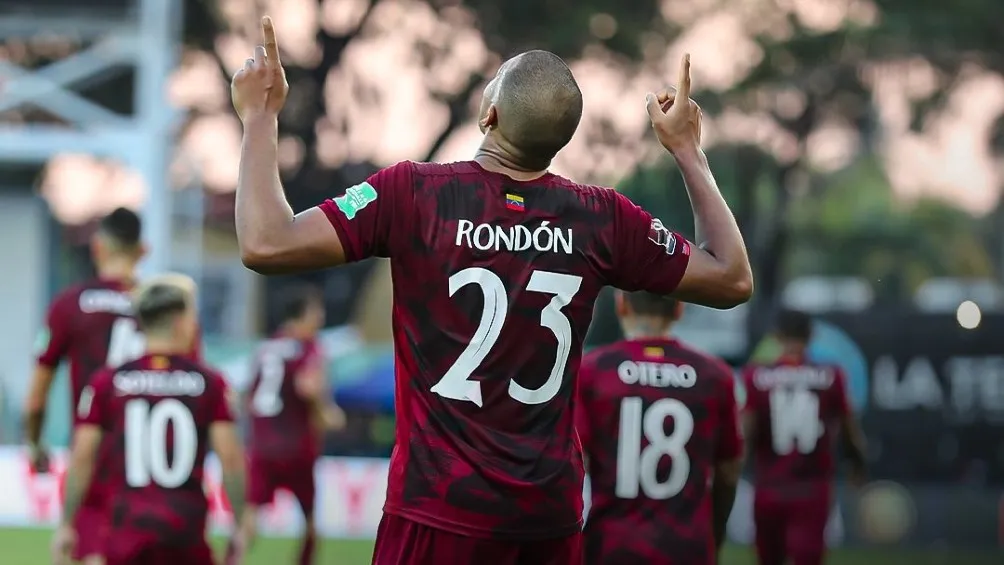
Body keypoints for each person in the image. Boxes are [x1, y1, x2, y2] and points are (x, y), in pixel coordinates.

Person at [230, 16, 752, 564]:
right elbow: (732, 277)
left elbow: (266, 243)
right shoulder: (603, 218)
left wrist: (260, 116)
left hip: (436, 509)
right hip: (546, 520)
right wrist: (688, 150)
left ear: (489, 114)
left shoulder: (414, 193)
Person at [50, 274, 249, 565]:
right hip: (185, 532)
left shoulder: (108, 382)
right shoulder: (210, 383)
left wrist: (67, 523)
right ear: (181, 321)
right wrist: (239, 523)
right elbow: (230, 458)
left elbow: (81, 457)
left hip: (127, 531)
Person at [577, 291, 743, 564]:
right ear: (679, 308)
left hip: (612, 545)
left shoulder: (594, 371)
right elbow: (728, 471)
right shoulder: (714, 374)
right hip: (687, 546)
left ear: (621, 305)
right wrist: (715, 532)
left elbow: (576, 463)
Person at [25, 207, 148, 565]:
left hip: (92, 457)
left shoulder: (69, 304)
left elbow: (36, 399)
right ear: (143, 250)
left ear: (97, 247)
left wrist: (35, 444)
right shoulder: (164, 307)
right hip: (149, 462)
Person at [227, 284, 345, 565]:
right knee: (311, 523)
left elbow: (245, 397)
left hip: (262, 447)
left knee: (249, 518)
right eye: (317, 311)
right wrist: (329, 414)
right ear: (303, 315)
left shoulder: (265, 348)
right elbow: (309, 387)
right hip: (297, 448)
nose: (321, 317)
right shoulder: (310, 348)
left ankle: (232, 561)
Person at [741, 309, 867, 565]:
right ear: (810, 336)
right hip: (812, 489)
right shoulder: (832, 376)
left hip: (769, 488)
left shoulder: (756, 377)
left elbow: (747, 433)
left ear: (776, 336)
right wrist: (857, 463)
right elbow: (849, 428)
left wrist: (732, 473)